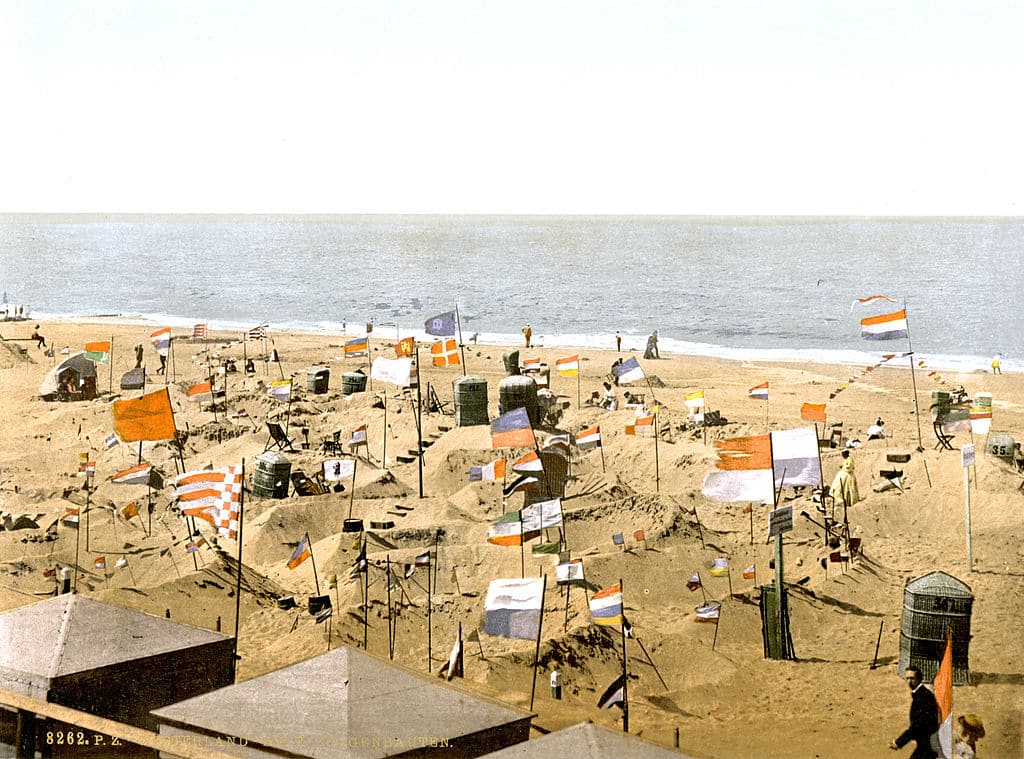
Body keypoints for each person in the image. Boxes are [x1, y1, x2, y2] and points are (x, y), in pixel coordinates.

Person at [890, 666, 939, 757]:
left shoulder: (923, 697)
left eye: (912, 678)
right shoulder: (921, 694)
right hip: (925, 745)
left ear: (919, 679)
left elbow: (918, 726)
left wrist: (899, 742)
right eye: (907, 678)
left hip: (927, 746)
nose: (909, 681)